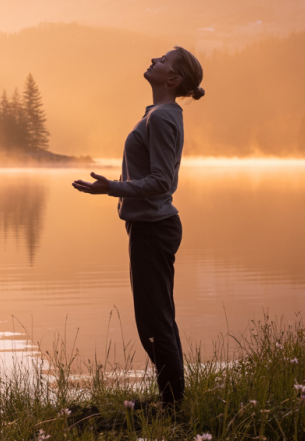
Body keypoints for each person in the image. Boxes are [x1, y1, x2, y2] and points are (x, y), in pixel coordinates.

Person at [72, 46, 205, 407]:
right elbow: (151, 175)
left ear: (173, 79)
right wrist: (115, 188)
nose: (153, 60)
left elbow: (162, 181)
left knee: (153, 322)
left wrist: (111, 188)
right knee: (157, 317)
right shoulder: (159, 114)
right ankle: (172, 399)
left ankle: (172, 404)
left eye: (162, 60)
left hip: (154, 228)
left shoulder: (161, 118)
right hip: (150, 227)